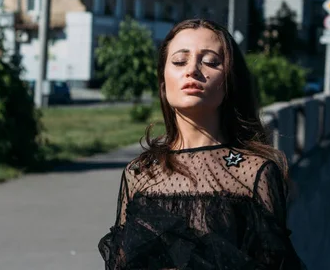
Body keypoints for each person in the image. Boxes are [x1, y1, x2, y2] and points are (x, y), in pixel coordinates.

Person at [99, 19, 306, 270]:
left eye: (210, 61)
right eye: (179, 61)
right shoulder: (141, 173)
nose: (192, 70)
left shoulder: (254, 172)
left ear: (230, 81)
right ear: (163, 83)